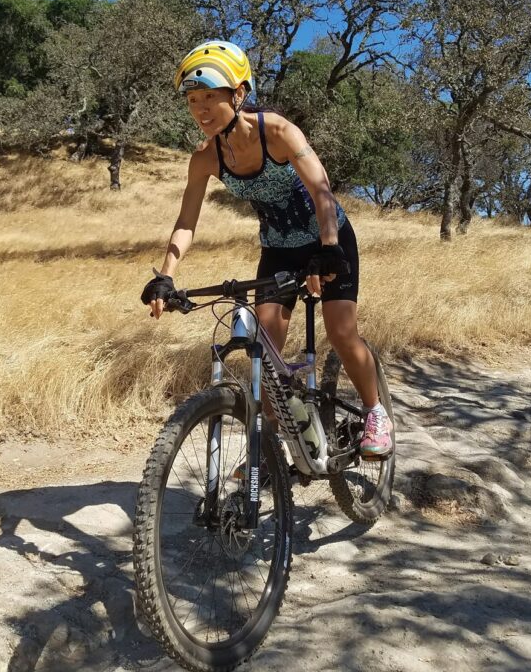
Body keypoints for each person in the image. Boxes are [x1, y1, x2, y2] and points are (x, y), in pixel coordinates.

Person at [139, 40, 391, 457]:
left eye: (210, 98)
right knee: (267, 356)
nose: (200, 109)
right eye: (192, 100)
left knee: (342, 332)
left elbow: (321, 189)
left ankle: (375, 412)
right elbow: (187, 221)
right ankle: (276, 455)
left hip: (329, 240)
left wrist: (328, 248)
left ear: (238, 94)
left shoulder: (277, 131)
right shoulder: (205, 157)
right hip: (278, 249)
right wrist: (166, 274)